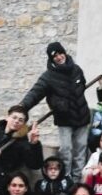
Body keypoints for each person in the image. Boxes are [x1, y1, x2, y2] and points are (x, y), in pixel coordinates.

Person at [20, 41, 91, 183]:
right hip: (64, 119)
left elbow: (82, 85)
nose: (59, 57)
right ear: (51, 59)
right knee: (66, 149)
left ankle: (77, 179)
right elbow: (36, 92)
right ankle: (66, 178)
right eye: (55, 56)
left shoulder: (76, 69)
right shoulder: (48, 76)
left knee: (81, 149)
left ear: (64, 52)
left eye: (60, 53)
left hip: (82, 116)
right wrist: (22, 107)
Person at [0, 104, 44, 191]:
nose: (16, 121)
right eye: (14, 117)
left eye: (21, 120)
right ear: (7, 117)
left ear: (23, 124)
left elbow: (35, 165)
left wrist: (34, 144)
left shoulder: (23, 142)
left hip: (5, 184)